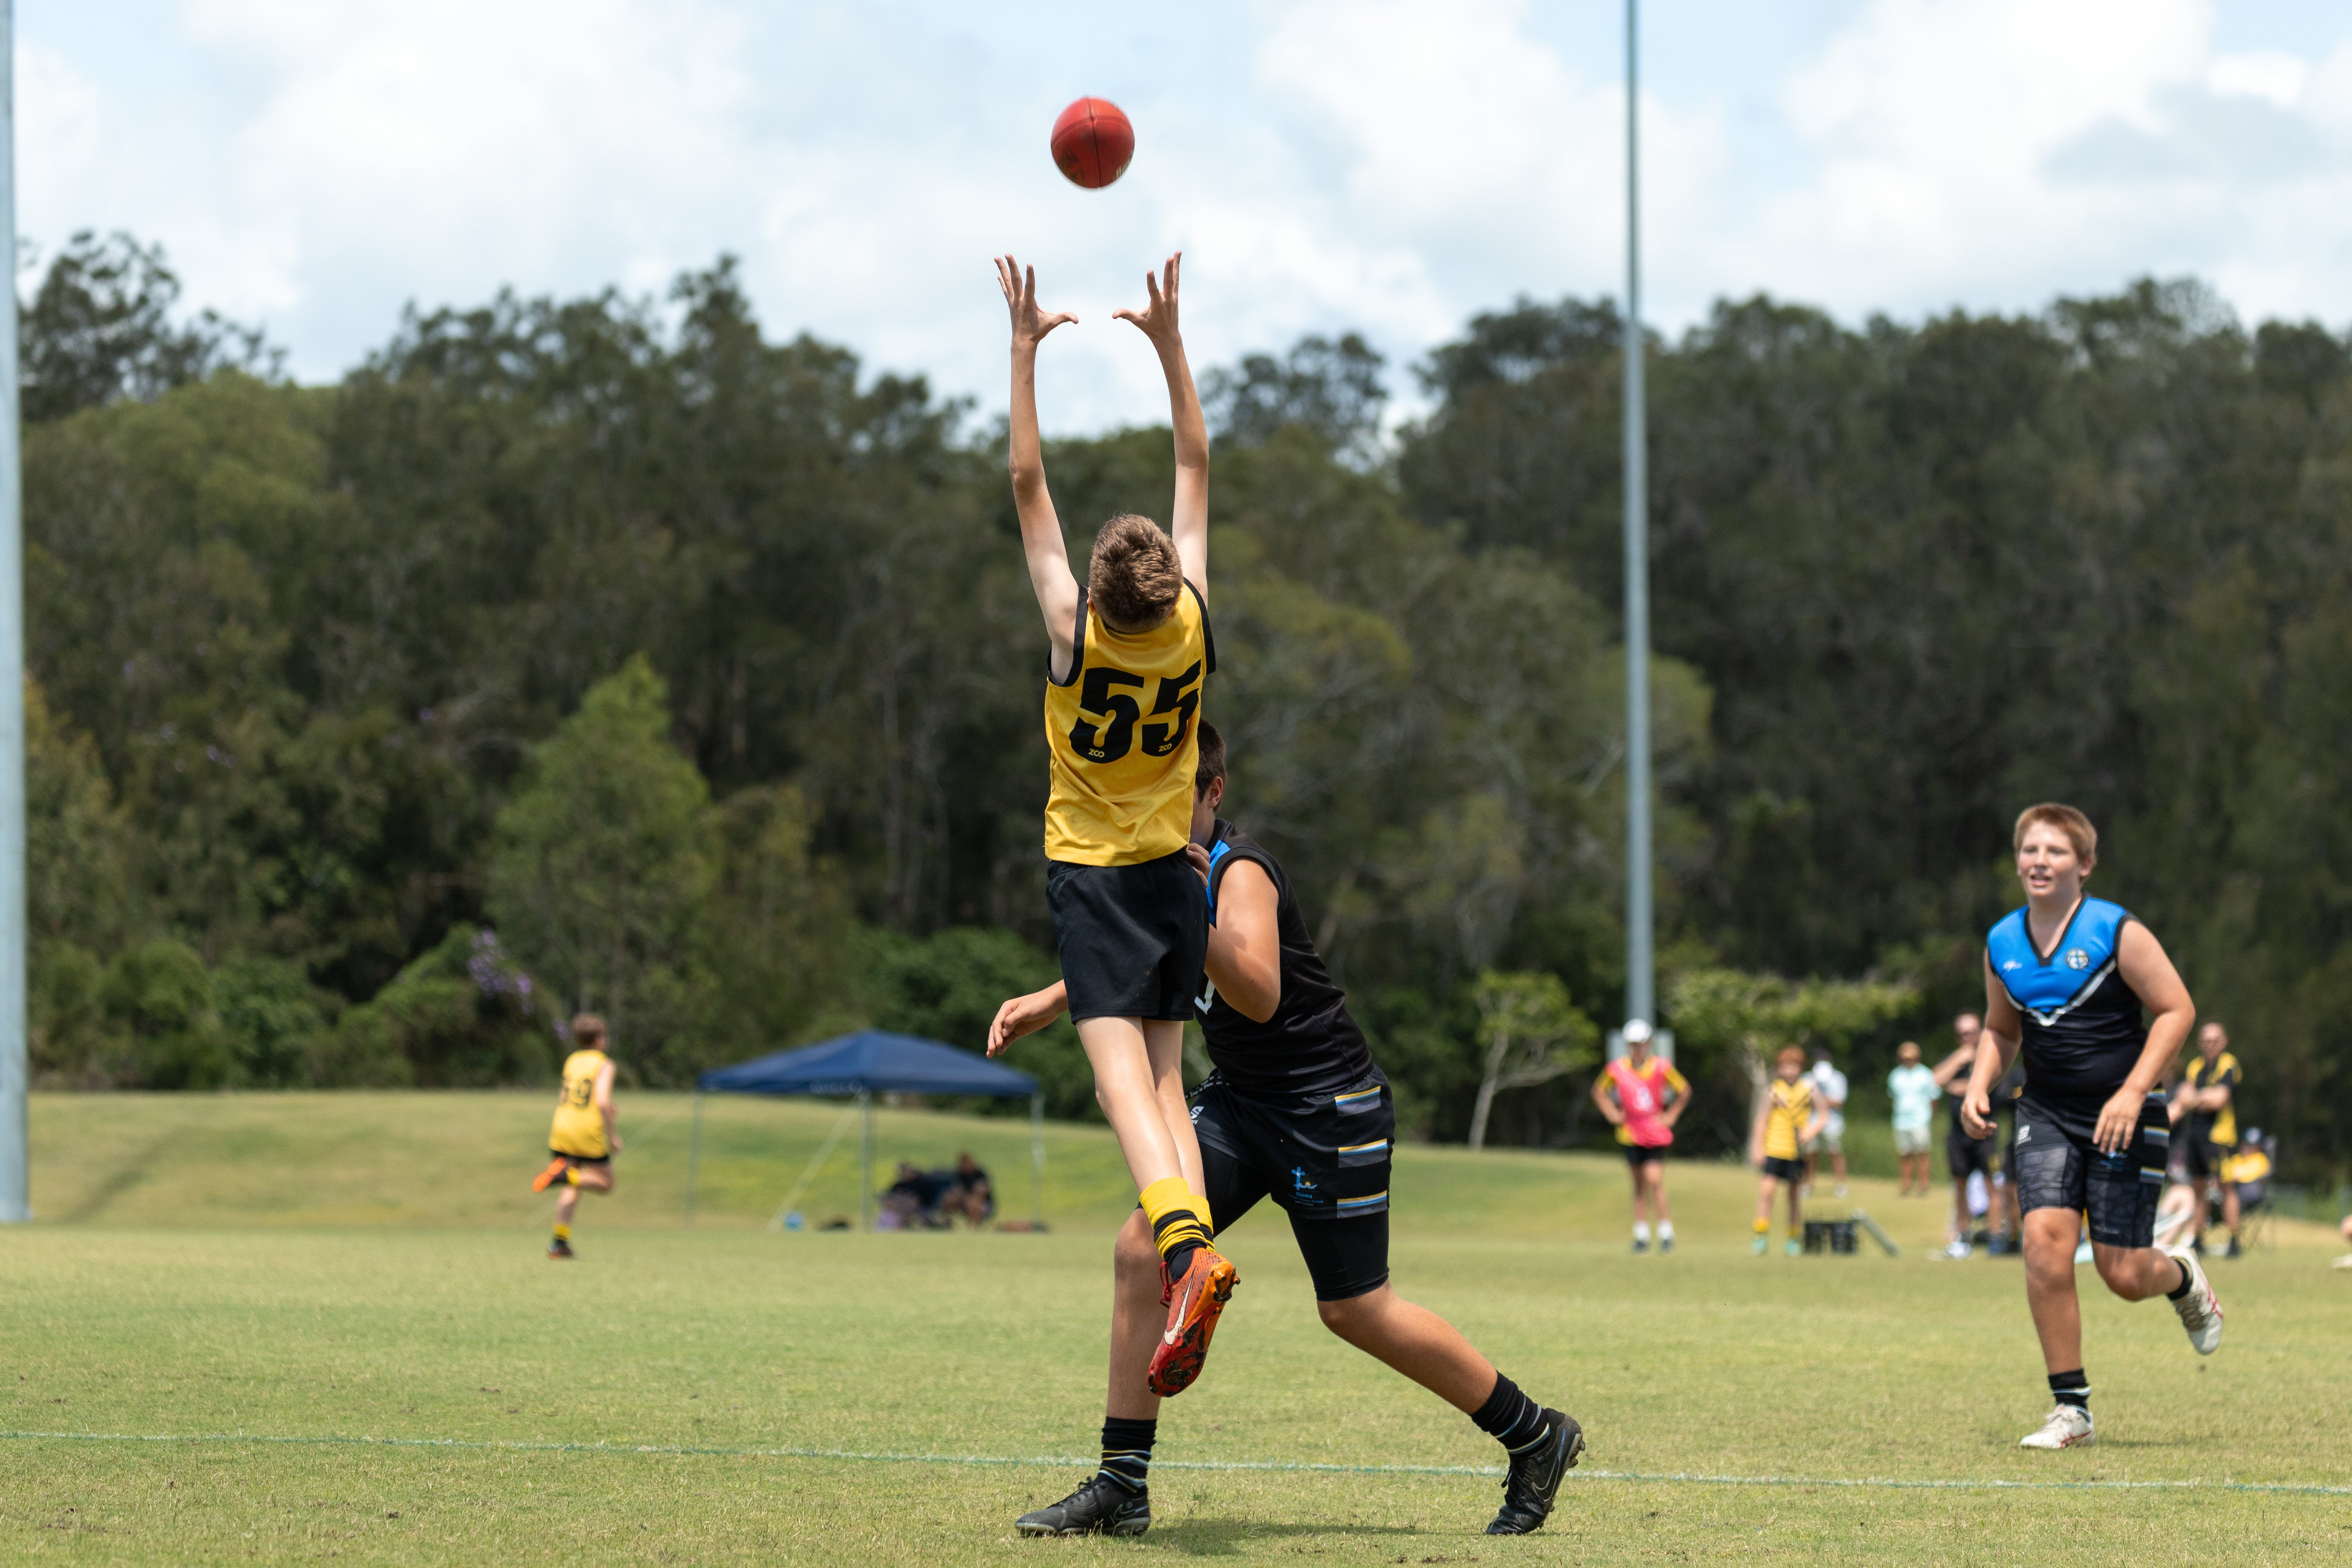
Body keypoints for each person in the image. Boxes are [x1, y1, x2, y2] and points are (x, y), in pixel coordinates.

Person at [988, 725, 1583, 1539]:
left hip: (1327, 1109)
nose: (1162, 814)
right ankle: (1123, 1482)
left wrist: (1194, 910)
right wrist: (1052, 999)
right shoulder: (1164, 866)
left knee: (1355, 1309)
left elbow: (1260, 990)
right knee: (1141, 1246)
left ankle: (1536, 1432)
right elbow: (1137, 950)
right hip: (1243, 1103)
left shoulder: (1240, 873)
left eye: (1178, 798)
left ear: (1214, 792)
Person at [995, 250, 1232, 1390]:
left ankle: (1184, 1252)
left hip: (1092, 877)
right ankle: (1196, 1249)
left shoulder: (1073, 632)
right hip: (1173, 875)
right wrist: (1167, 339)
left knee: (1116, 1085)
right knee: (1167, 1079)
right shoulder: (1190, 619)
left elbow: (1025, 486)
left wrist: (1023, 346)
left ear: (1092, 591)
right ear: (1165, 580)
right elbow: (1193, 456)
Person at [1962, 804, 2223, 1452]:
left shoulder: (2115, 931)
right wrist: (1978, 1082)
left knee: (2125, 1276)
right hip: (2046, 1112)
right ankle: (2070, 1409)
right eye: (2030, 850)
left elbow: (2176, 1010)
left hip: (2124, 1113)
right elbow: (2002, 1028)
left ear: (2084, 865)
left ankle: (2183, 1278)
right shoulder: (2001, 942)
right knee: (2045, 1245)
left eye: (2054, 851)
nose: (2039, 861)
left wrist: (2134, 1093)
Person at [1592, 1020, 1690, 1253]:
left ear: (1649, 1044)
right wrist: (1612, 1113)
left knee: (1655, 1181)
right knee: (1638, 1185)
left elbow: (1684, 1090)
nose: (1637, 1048)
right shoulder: (1617, 1068)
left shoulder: (1662, 1066)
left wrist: (1671, 1115)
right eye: (1632, 1044)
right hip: (1630, 1133)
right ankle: (1642, 1235)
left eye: (1641, 1044)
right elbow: (1599, 1091)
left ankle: (1666, 1234)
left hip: (1654, 1133)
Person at [532, 1014, 620, 1259]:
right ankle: (564, 1174)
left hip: (562, 1127)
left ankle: (559, 1243)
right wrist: (613, 1135)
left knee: (573, 1184)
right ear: (600, 1039)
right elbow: (602, 1101)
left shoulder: (572, 1060)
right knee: (606, 1184)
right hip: (586, 1130)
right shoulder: (604, 1064)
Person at [2169, 1022, 2243, 1258]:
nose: (2210, 1045)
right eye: (2206, 1041)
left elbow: (2220, 1099)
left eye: (2215, 1041)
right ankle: (2198, 1238)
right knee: (2198, 1188)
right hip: (2196, 1135)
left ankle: (2234, 1239)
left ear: (2224, 1042)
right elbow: (2184, 1098)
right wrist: (2201, 1098)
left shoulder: (2228, 1064)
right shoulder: (2195, 1067)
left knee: (2225, 1187)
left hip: (2220, 1137)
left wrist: (2195, 1100)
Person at [1933, 1013, 2002, 1257]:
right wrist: (1959, 1059)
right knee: (1960, 1186)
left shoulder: (1990, 1056)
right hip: (1958, 1134)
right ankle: (1963, 1238)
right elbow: (1936, 1081)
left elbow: (1994, 1086)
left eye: (1972, 1032)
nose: (1968, 1037)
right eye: (1963, 1034)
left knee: (1991, 1185)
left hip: (1986, 1132)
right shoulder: (1954, 1060)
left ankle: (1996, 1239)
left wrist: (1960, 1087)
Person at [1749, 1045, 1824, 1257]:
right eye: (1786, 1066)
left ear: (1801, 1068)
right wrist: (1758, 1148)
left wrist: (1811, 1131)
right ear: (1780, 1068)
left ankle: (1793, 1238)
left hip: (1796, 1151)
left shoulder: (1809, 1089)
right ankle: (1760, 1235)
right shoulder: (1774, 1090)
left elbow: (1824, 1115)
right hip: (1775, 1147)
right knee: (1767, 1191)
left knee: (1793, 1196)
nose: (1790, 1070)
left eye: (1795, 1066)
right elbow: (1761, 1122)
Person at [1887, 1041, 1941, 1197]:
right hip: (1901, 1120)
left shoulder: (1925, 1074)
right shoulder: (1896, 1075)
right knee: (1905, 1153)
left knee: (1922, 1153)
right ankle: (1906, 1185)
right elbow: (1893, 1097)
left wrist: (1931, 1116)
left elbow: (1934, 1097)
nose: (1908, 1061)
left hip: (1920, 1119)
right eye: (1905, 1058)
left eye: (1911, 1058)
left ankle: (1923, 1185)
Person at [1804, 1047, 1850, 1198]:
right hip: (1811, 1123)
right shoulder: (1807, 1078)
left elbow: (1839, 1102)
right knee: (1811, 1154)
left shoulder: (1838, 1078)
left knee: (1835, 1153)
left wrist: (1819, 1097)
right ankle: (1808, 1185)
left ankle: (1841, 1186)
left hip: (1832, 1124)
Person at [944, 1152, 995, 1227]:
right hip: (964, 1201)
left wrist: (969, 1198)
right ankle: (947, 1223)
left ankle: (974, 1227)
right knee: (949, 1199)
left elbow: (982, 1193)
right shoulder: (959, 1175)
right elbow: (955, 1190)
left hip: (984, 1205)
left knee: (973, 1203)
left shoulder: (980, 1174)